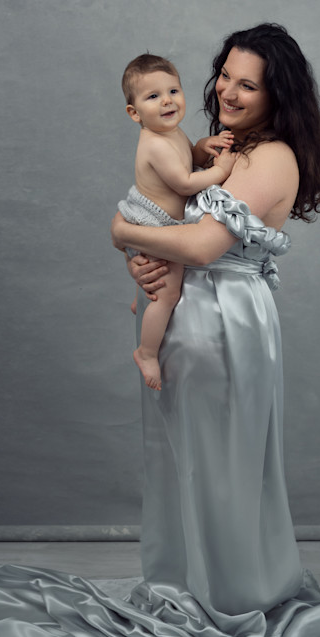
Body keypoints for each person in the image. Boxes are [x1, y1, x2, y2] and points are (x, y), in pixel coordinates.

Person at [0, 24, 320, 637]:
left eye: (247, 83)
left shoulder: (271, 155)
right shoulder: (223, 147)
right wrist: (150, 254)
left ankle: (231, 592)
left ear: (278, 94)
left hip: (224, 323)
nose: (226, 89)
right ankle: (188, 582)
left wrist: (122, 233)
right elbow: (178, 222)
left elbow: (197, 248)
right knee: (184, 460)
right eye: (225, 73)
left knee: (224, 460)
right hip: (190, 317)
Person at [118, 54, 235, 390]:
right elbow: (184, 183)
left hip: (156, 218)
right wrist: (220, 171)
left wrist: (203, 147)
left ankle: (140, 299)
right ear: (134, 113)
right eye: (153, 96)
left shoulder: (171, 131)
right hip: (154, 223)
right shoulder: (154, 144)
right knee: (168, 294)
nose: (167, 100)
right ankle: (147, 351)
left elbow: (190, 157)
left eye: (173, 91)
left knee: (154, 282)